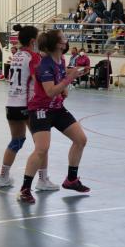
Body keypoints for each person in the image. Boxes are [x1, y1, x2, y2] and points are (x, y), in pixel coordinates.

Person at [17, 30, 89, 204]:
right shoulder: (44, 65)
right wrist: (68, 79)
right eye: (63, 37)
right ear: (58, 44)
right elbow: (49, 92)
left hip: (56, 109)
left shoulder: (61, 60)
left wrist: (74, 74)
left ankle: (71, 179)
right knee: (42, 149)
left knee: (80, 139)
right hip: (40, 110)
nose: (66, 39)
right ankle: (25, 189)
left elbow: (62, 79)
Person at [0, 24, 58, 190]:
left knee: (17, 140)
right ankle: (43, 180)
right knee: (42, 145)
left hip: (11, 104)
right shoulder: (33, 57)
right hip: (27, 105)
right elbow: (38, 79)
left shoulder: (16, 55)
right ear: (32, 41)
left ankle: (3, 177)